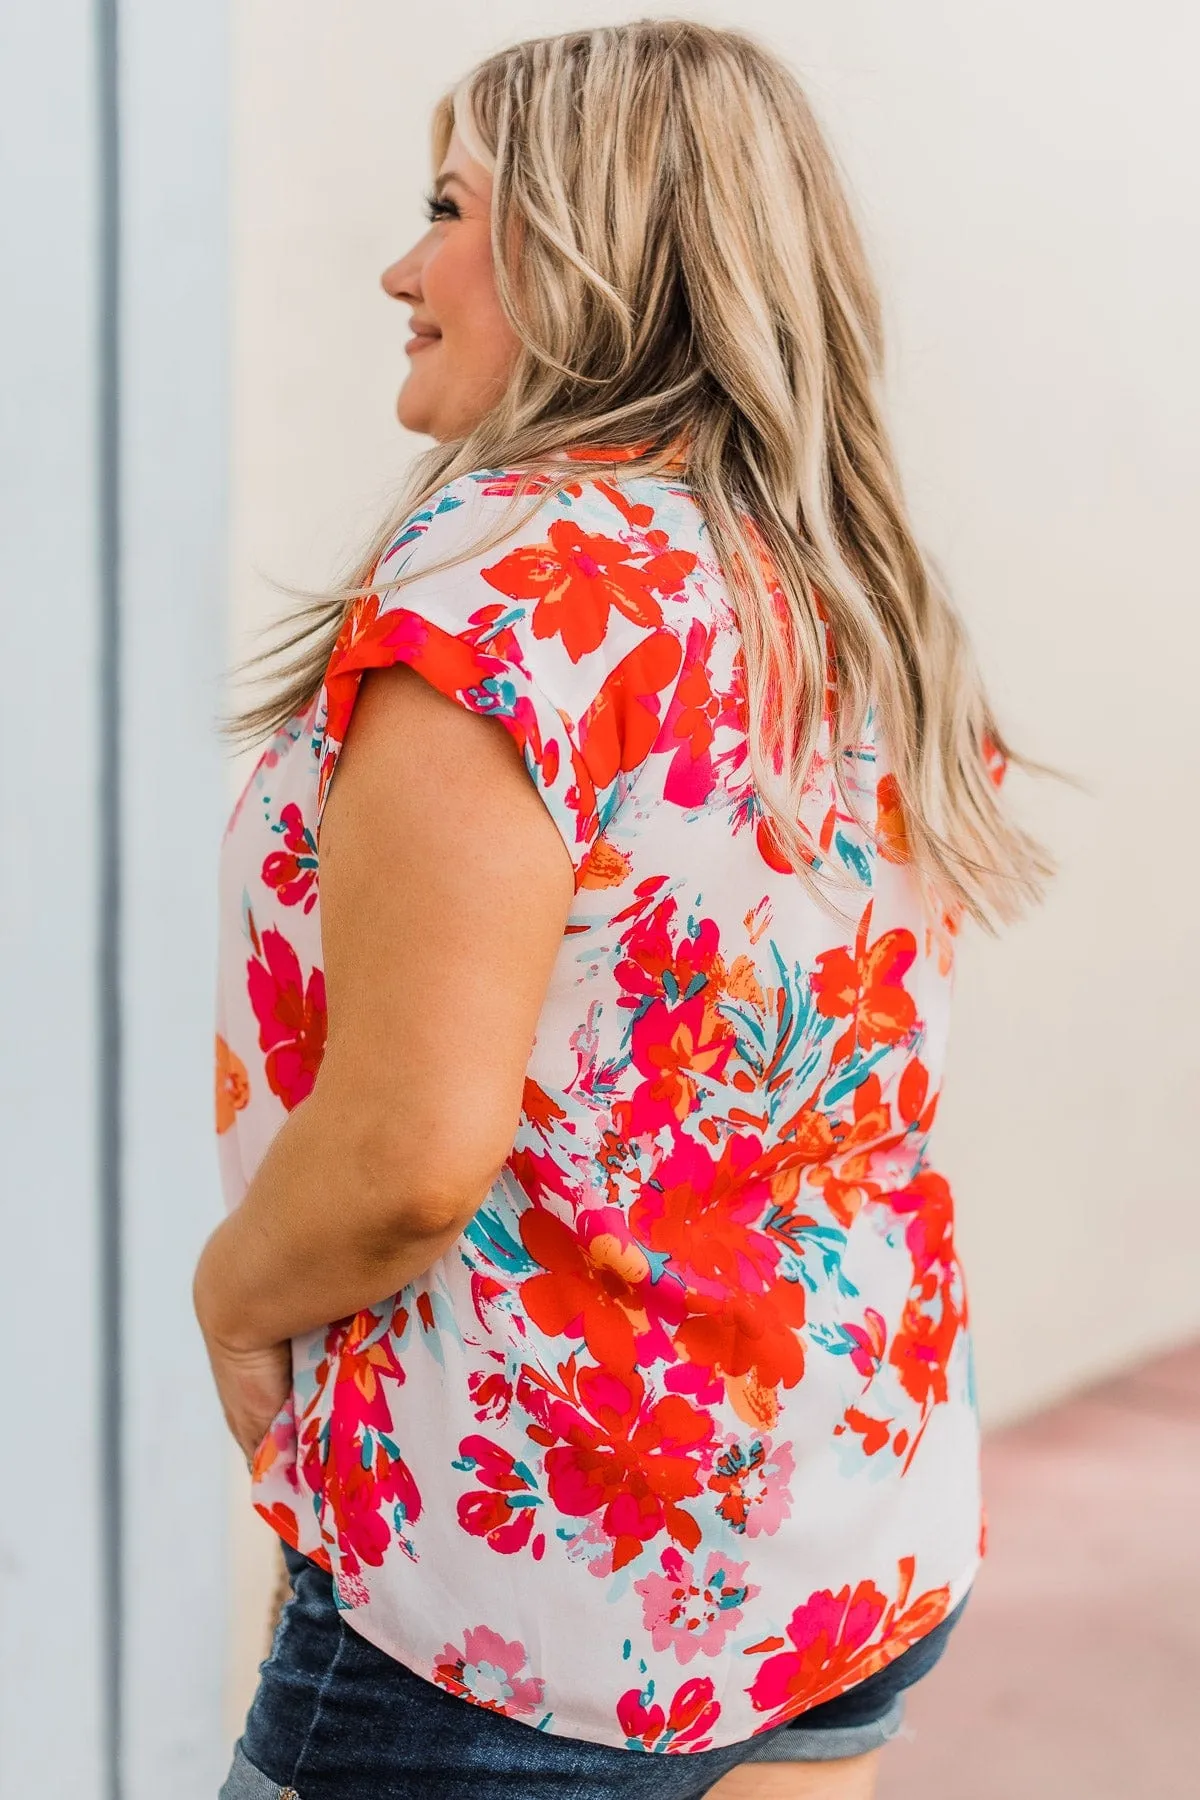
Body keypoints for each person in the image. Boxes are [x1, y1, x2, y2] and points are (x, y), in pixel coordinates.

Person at [199, 20, 1051, 1800]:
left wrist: (231, 1297)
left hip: (545, 1588)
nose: (398, 267)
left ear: (591, 249)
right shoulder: (840, 598)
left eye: (446, 208)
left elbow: (412, 1162)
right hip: (843, 1516)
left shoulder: (508, 608)